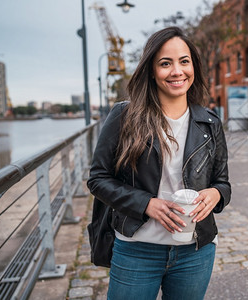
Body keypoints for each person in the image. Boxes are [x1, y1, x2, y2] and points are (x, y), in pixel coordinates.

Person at [87, 27, 231, 300]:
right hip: (136, 249)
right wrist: (146, 204)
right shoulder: (124, 116)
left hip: (196, 251)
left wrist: (215, 194)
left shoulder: (209, 123)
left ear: (194, 67)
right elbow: (98, 179)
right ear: (151, 70)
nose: (177, 71)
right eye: (166, 63)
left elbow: (222, 183)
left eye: (184, 61)